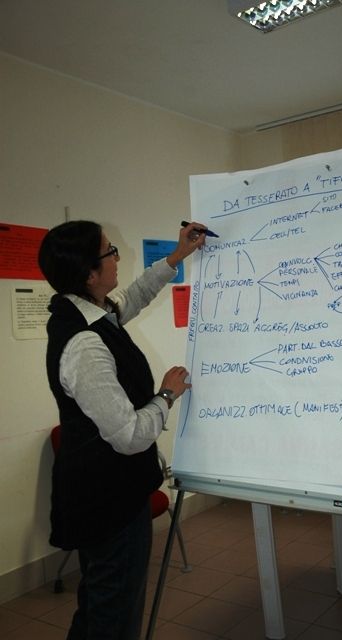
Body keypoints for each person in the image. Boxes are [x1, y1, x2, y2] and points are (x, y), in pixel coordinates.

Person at [38, 219, 206, 640]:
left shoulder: (90, 312)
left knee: (99, 605)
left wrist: (176, 256)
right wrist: (166, 396)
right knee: (114, 615)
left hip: (102, 493)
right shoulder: (84, 343)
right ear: (89, 273)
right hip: (107, 502)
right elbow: (129, 436)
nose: (118, 257)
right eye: (110, 252)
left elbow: (134, 295)